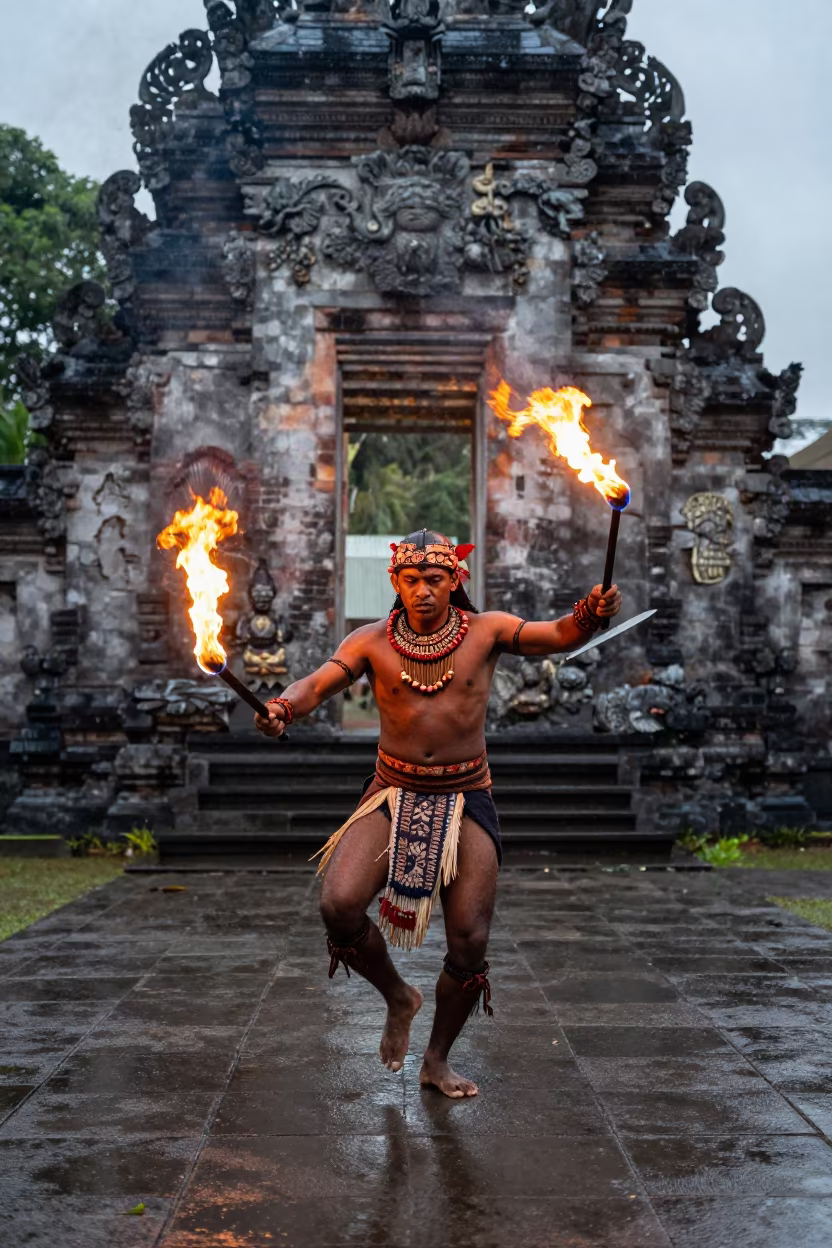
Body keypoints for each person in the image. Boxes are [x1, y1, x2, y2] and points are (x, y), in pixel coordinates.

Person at [255, 529, 622, 1097]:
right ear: (395, 583)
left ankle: (437, 1059)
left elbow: (559, 635)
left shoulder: (488, 630)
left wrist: (590, 612)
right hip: (391, 790)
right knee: (338, 903)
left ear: (456, 579)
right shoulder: (371, 641)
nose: (423, 590)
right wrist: (282, 706)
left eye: (435, 578)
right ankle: (399, 996)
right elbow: (318, 683)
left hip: (466, 792)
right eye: (411, 579)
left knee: (471, 941)